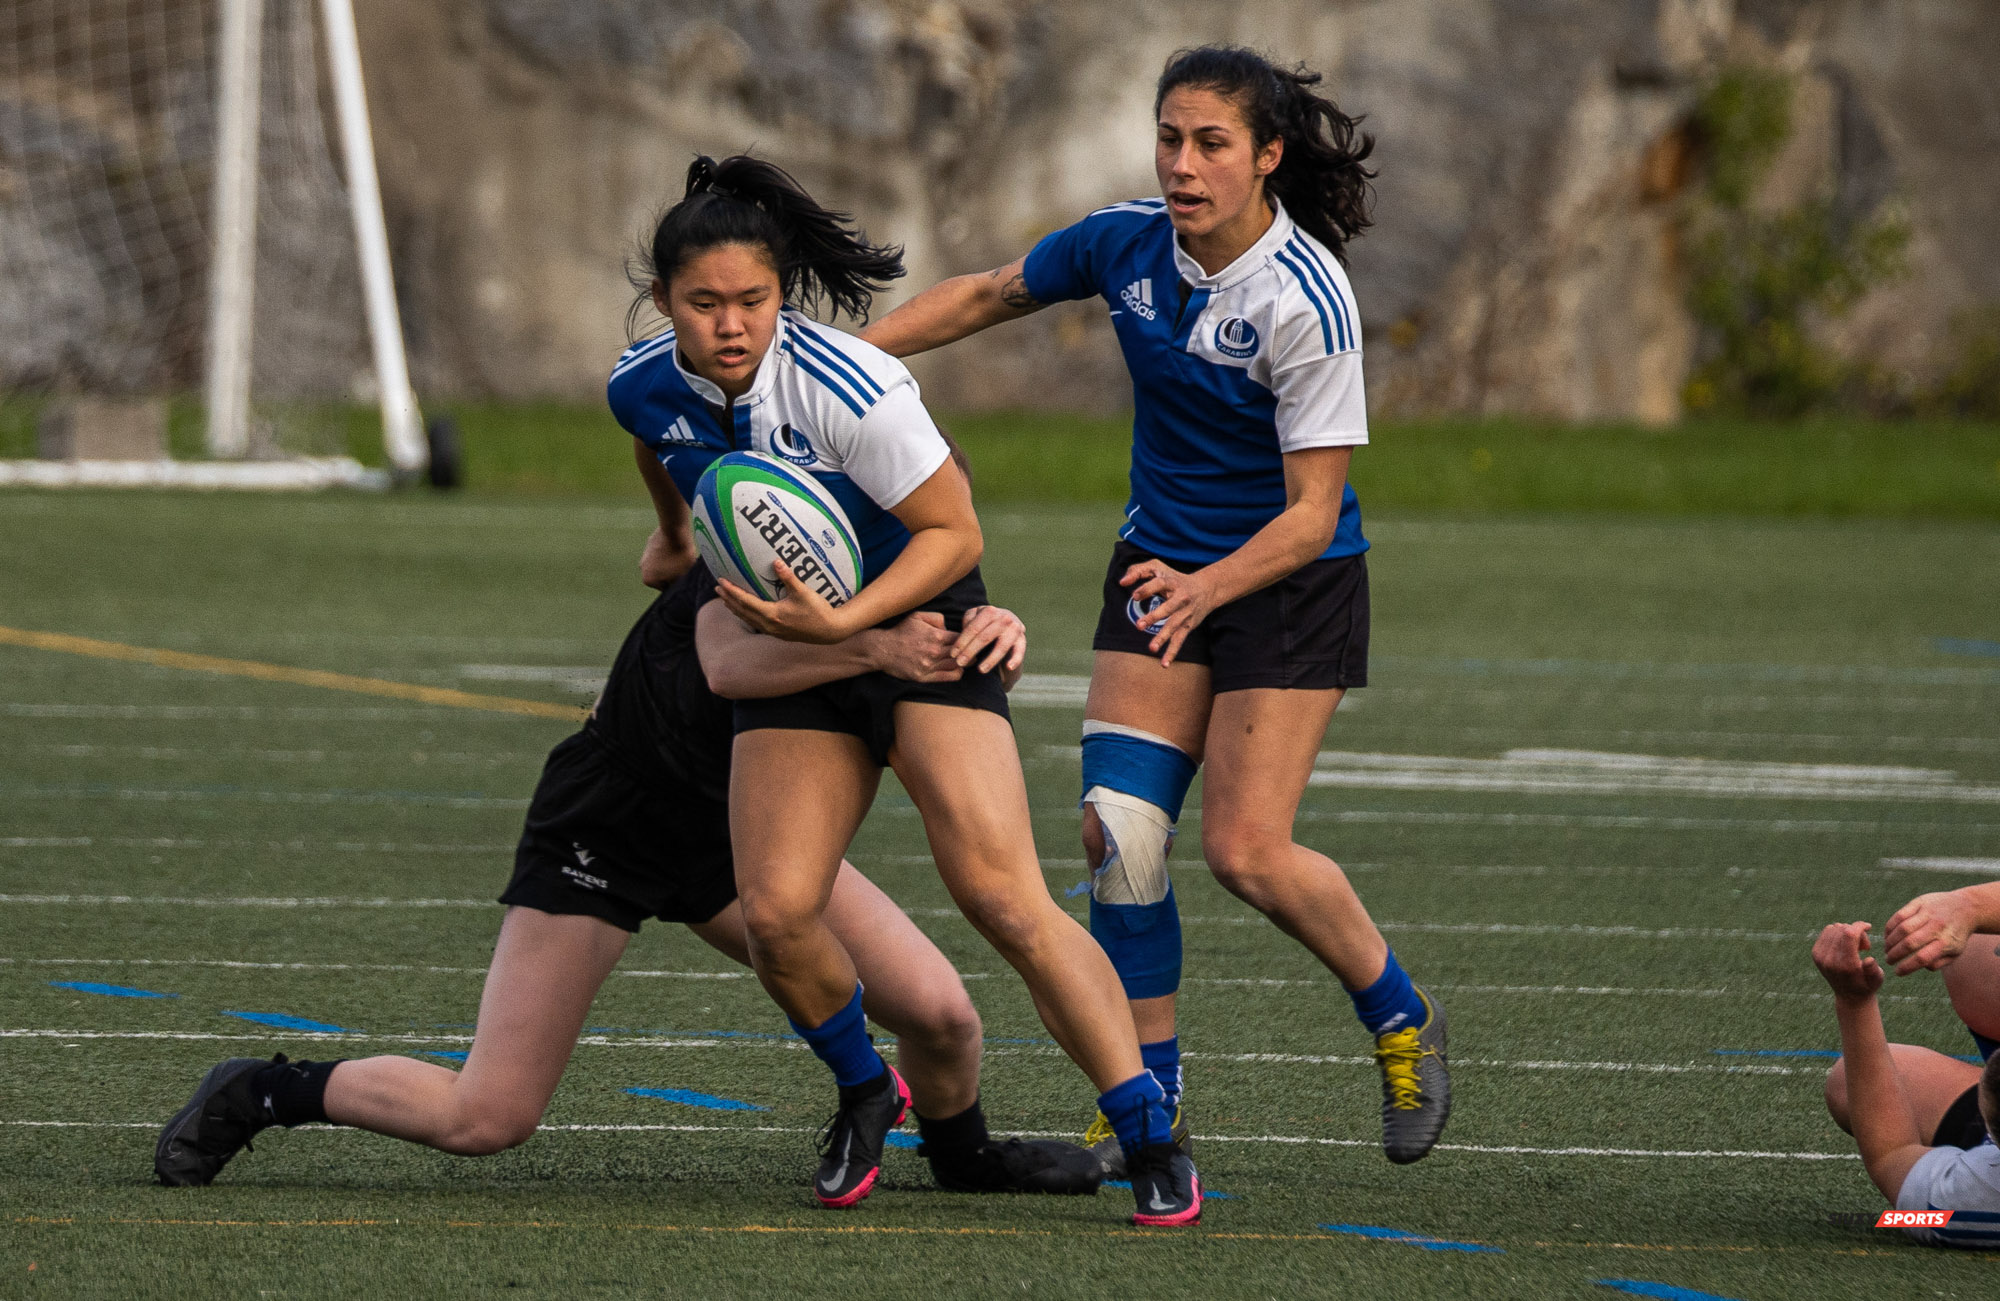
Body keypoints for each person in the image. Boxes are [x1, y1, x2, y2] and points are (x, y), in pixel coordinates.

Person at [153, 452, 1101, 1201]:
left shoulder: (923, 582)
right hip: (614, 818)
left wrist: (987, 638)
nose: (938, 554)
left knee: (942, 1017)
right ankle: (262, 1089)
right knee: (487, 1115)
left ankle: (961, 1155)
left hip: (742, 835)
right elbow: (732, 667)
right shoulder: (766, 549)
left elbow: (940, 687)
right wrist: (868, 641)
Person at [859, 44, 1448, 1172]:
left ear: (1267, 157)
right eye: (1169, 137)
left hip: (1285, 583)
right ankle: (1151, 1095)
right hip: (1159, 569)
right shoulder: (1125, 242)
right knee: (1116, 837)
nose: (1181, 164)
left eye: (1210, 143)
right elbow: (988, 292)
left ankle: (1398, 1015)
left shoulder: (1304, 298)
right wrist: (837, 359)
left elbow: (1312, 512)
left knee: (1245, 850)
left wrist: (1206, 586)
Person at [605, 154, 1198, 1224]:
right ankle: (865, 1089)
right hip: (805, 643)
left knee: (1002, 896)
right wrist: (671, 533)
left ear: (781, 293)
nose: (730, 324)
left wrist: (852, 621)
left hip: (924, 625)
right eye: (703, 303)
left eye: (752, 300)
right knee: (779, 912)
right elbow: (661, 443)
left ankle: (1150, 1127)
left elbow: (954, 530)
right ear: (663, 301)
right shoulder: (640, 382)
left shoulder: (850, 384)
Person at [1813, 892, 2000, 1250]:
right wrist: (1971, 906)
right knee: (1981, 945)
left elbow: (1891, 1156)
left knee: (1848, 1083)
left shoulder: (1974, 1204)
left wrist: (1854, 1002)